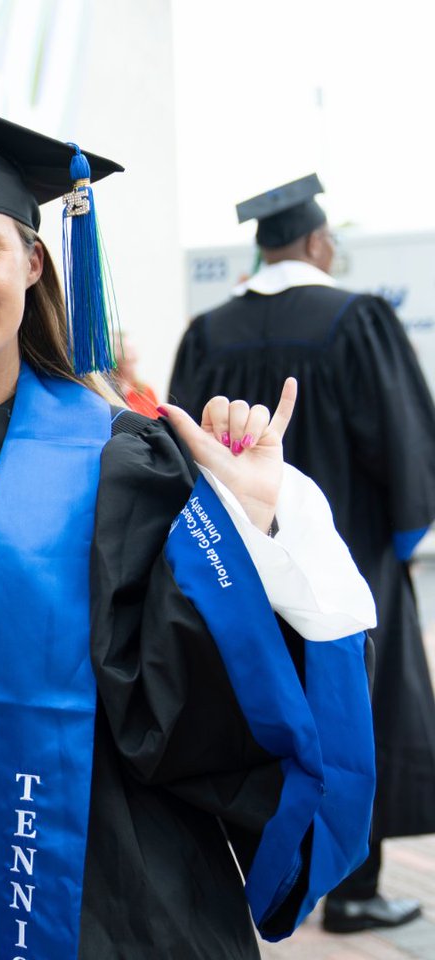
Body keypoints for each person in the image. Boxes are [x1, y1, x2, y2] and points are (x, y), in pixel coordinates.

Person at [0, 89, 378, 959]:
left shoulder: (127, 460)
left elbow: (205, 693)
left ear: (35, 262)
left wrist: (259, 524)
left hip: (103, 895)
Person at [169, 174, 435, 934]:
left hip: (231, 577)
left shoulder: (208, 330)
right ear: (318, 242)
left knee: (247, 715)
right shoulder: (358, 318)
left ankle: (247, 879)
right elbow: (407, 451)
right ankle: (353, 888)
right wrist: (403, 544)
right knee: (356, 709)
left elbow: (183, 455)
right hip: (338, 560)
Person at [114, 331, 162, 418]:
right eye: (122, 350)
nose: (127, 356)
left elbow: (156, 422)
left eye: (130, 350)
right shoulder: (109, 391)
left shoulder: (146, 391)